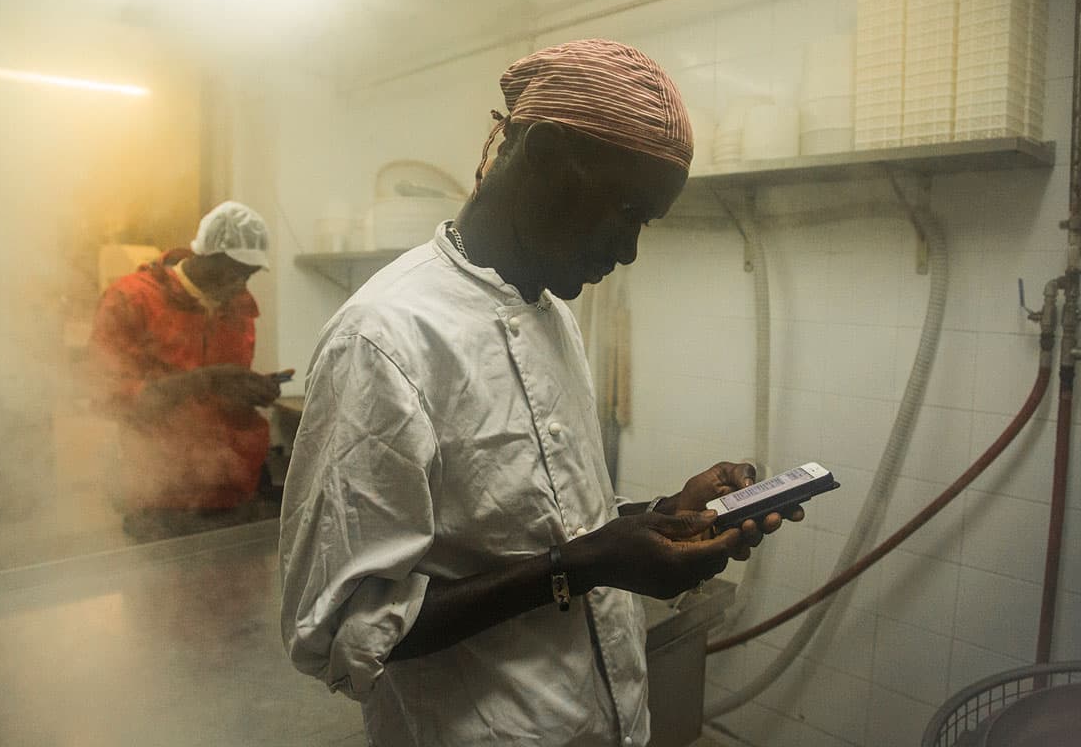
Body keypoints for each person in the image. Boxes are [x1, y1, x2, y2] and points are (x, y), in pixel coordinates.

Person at [278, 40, 802, 746]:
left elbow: (529, 524)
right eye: (625, 210)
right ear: (548, 154)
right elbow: (345, 628)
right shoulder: (386, 338)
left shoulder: (550, 314)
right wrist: (585, 565)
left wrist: (661, 517)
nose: (628, 251)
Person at [90, 201, 283, 537]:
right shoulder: (132, 300)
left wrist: (250, 389)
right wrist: (205, 380)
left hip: (234, 489)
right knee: (165, 587)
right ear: (206, 256)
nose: (241, 286)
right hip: (160, 496)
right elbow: (109, 395)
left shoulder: (238, 309)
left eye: (248, 276)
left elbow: (220, 392)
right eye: (234, 272)